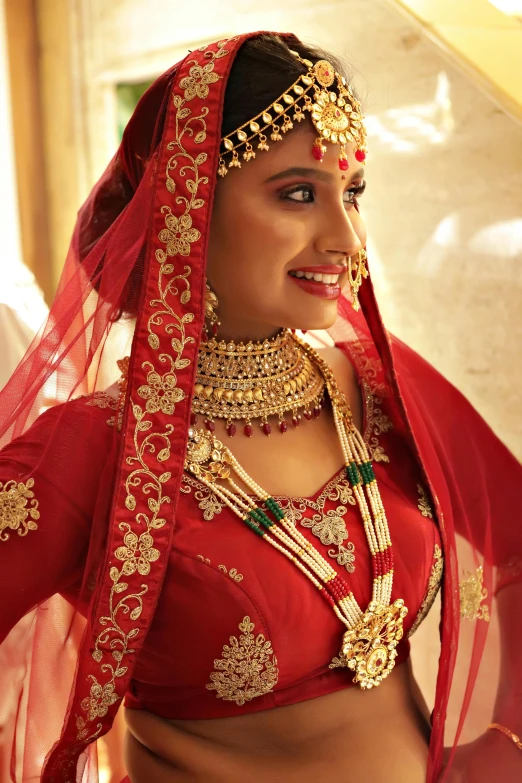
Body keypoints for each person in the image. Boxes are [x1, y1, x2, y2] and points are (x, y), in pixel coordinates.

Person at [0, 31, 520, 783]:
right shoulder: (98, 450)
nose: (345, 238)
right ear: (189, 208)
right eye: (299, 193)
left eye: (353, 194)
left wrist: (498, 744)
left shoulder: (377, 386)